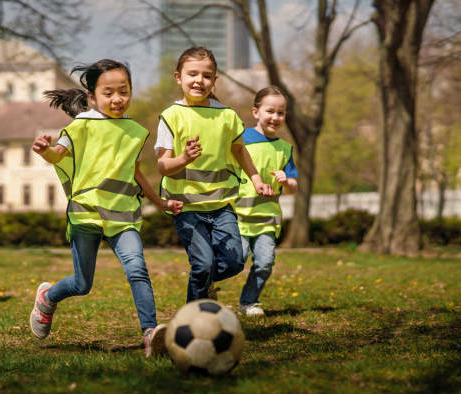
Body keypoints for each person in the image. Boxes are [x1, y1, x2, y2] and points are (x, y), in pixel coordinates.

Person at [29, 59, 183, 357]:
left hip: (124, 217)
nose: (117, 99)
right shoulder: (81, 126)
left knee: (137, 268)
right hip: (86, 214)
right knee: (82, 284)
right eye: (109, 92)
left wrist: (161, 203)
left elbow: (137, 174)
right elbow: (59, 155)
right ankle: (48, 297)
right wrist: (44, 149)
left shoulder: (135, 132)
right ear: (92, 97)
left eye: (123, 91)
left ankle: (150, 334)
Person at [155, 47, 274, 304]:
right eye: (192, 74)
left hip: (221, 206)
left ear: (214, 80)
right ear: (178, 77)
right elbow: (163, 166)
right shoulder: (171, 116)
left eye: (207, 75)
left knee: (235, 263)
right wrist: (183, 159)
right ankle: (193, 318)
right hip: (186, 207)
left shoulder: (227, 115)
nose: (199, 80)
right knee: (204, 264)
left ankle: (203, 282)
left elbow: (240, 151)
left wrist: (257, 179)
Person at [234, 86, 298, 317]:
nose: (275, 117)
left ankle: (249, 302)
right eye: (270, 111)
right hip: (238, 217)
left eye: (281, 113)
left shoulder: (284, 148)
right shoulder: (240, 140)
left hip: (266, 221)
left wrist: (287, 180)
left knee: (264, 263)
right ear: (256, 112)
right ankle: (208, 286)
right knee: (235, 261)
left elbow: (293, 189)